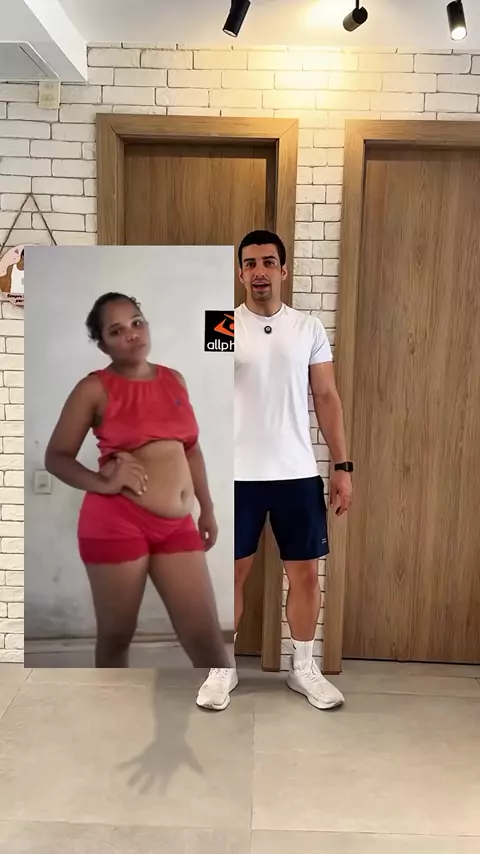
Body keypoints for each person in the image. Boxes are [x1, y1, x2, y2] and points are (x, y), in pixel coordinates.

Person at [197, 230, 353, 711]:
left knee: (305, 575)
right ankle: (222, 667)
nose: (259, 271)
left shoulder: (308, 327)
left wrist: (342, 465)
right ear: (240, 273)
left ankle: (302, 668)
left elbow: (326, 397)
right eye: (250, 263)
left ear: (283, 270)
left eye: (268, 262)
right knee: (230, 575)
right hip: (236, 475)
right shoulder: (222, 325)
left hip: (296, 473)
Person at [45, 292, 230, 669]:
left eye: (137, 322)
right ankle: (113, 706)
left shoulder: (174, 379)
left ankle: (220, 701)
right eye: (116, 330)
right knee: (117, 636)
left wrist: (207, 508)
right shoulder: (93, 389)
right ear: (102, 344)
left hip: (177, 524)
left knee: (206, 638)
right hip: (117, 521)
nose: (132, 333)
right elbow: (56, 457)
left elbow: (191, 449)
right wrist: (103, 482)